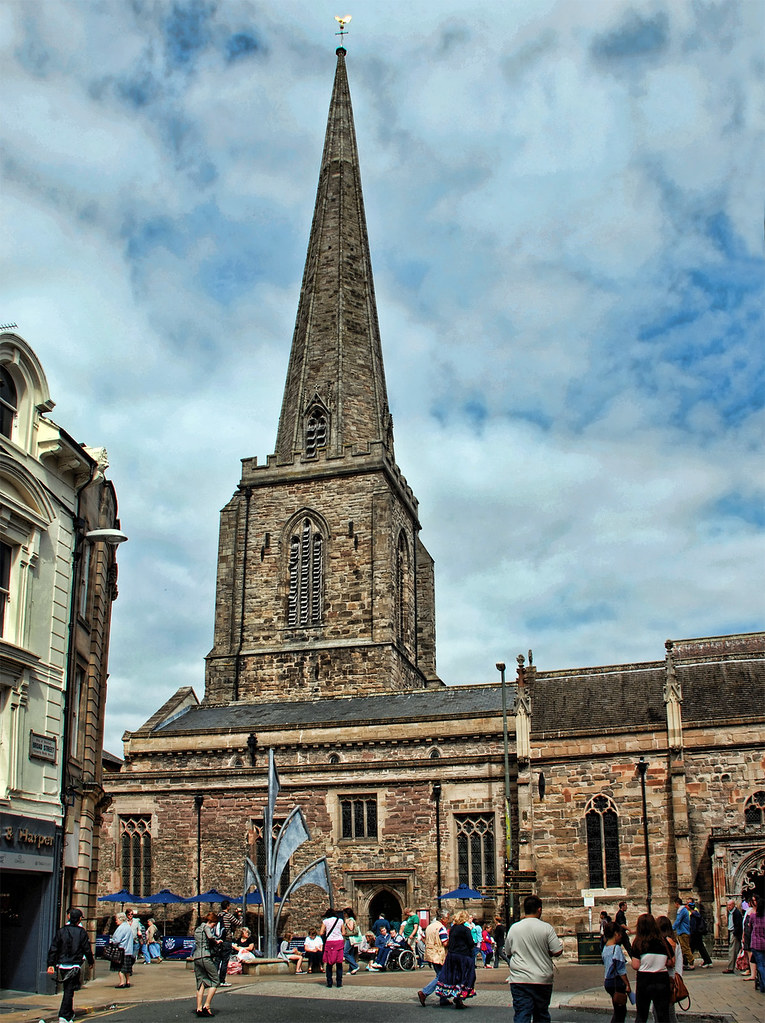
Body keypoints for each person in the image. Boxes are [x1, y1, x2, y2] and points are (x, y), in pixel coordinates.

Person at [505, 894, 564, 1023]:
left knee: (522, 1014)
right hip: (541, 978)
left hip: (520, 979)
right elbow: (557, 951)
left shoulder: (514, 928)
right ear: (539, 909)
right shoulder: (546, 928)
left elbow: (508, 952)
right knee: (541, 1014)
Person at [47, 907, 94, 1023]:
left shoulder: (61, 931)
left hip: (62, 965)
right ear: (79, 919)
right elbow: (87, 949)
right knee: (69, 990)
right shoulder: (81, 932)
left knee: (69, 989)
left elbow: (54, 948)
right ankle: (63, 1015)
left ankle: (68, 1014)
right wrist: (91, 961)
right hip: (74, 965)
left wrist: (51, 964)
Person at [629, 912, 673, 1023]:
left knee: (642, 1015)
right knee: (663, 1016)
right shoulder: (663, 942)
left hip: (644, 979)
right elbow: (670, 962)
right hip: (661, 979)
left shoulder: (638, 943)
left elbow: (635, 965)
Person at [435, 908, 477, 1009]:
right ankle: (459, 997)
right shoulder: (465, 929)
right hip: (463, 956)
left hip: (452, 956)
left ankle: (455, 996)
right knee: (465, 977)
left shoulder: (453, 928)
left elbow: (450, 942)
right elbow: (470, 943)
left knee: (454, 976)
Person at [417, 908, 450, 1005]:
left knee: (441, 975)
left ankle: (443, 998)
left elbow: (423, 938)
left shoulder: (429, 926)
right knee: (441, 976)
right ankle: (424, 992)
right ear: (443, 918)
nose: (448, 921)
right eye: (447, 918)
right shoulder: (441, 928)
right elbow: (445, 942)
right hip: (439, 954)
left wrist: (430, 945)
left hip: (430, 953)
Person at [192, 910, 221, 1018]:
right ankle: (207, 1005)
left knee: (201, 982)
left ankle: (199, 1008)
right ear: (212, 921)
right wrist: (217, 941)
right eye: (214, 924)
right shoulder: (207, 927)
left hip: (196, 957)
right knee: (215, 980)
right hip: (205, 956)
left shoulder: (198, 928)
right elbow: (210, 936)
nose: (214, 926)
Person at [601, 920, 630, 1023]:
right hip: (616, 981)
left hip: (608, 981)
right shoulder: (616, 949)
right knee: (621, 1012)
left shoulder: (605, 948)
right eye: (620, 933)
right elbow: (621, 970)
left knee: (617, 1009)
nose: (621, 936)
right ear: (616, 934)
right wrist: (627, 984)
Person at [656, 915, 681, 1023]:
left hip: (669, 978)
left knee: (667, 1012)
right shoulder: (673, 940)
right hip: (670, 977)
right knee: (665, 1011)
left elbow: (671, 962)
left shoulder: (668, 941)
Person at [320, 906, 346, 988]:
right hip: (339, 942)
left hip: (330, 942)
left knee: (329, 963)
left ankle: (329, 982)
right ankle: (339, 982)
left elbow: (321, 933)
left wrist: (327, 932)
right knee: (339, 963)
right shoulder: (340, 920)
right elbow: (343, 933)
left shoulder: (325, 921)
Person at [111, 912, 135, 989]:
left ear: (120, 919)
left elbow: (116, 940)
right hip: (128, 950)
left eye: (116, 919)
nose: (116, 921)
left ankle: (121, 983)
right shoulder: (128, 926)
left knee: (120, 968)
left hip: (122, 950)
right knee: (127, 968)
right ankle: (128, 981)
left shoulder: (121, 928)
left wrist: (112, 941)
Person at [688, 900, 712, 968]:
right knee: (700, 948)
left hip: (695, 934)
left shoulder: (693, 915)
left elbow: (693, 926)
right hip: (698, 933)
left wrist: (691, 932)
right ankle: (708, 961)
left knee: (693, 948)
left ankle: (687, 962)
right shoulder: (697, 914)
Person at [722, 898, 743, 973]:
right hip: (731, 931)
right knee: (733, 950)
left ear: (733, 905)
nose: (728, 907)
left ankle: (730, 968)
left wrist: (735, 933)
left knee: (732, 951)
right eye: (727, 905)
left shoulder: (736, 913)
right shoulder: (730, 913)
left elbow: (738, 925)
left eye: (730, 905)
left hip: (734, 932)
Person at [672, 897, 694, 970]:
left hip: (683, 931)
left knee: (685, 948)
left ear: (677, 903)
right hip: (682, 931)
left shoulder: (681, 911)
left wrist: (672, 928)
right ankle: (685, 962)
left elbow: (678, 921)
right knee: (682, 948)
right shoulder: (683, 910)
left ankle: (691, 963)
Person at [750, 893, 765, 994]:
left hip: (756, 944)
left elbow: (750, 928)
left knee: (760, 965)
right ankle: (762, 986)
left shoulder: (753, 917)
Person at [343, 907, 361, 974]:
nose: (344, 915)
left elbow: (351, 928)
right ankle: (351, 969)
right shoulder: (351, 919)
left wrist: (347, 923)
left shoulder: (350, 920)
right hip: (350, 938)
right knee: (351, 954)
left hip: (350, 938)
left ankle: (355, 966)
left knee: (345, 953)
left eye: (344, 913)